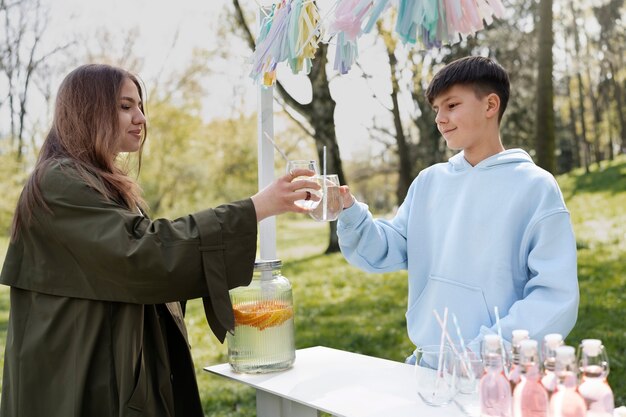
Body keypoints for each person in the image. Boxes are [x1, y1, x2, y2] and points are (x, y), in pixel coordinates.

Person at [0, 63, 319, 417]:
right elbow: (141, 255)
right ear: (87, 110)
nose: (140, 118)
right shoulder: (60, 181)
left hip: (104, 363)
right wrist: (256, 208)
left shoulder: (94, 180)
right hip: (76, 372)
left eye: (140, 106)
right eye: (125, 107)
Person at [336, 56, 579, 362]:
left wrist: (485, 352)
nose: (440, 118)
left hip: (499, 372)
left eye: (451, 105)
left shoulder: (535, 187)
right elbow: (386, 249)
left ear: (490, 106)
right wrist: (350, 211)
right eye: (437, 109)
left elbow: (555, 296)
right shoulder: (428, 182)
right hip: (428, 368)